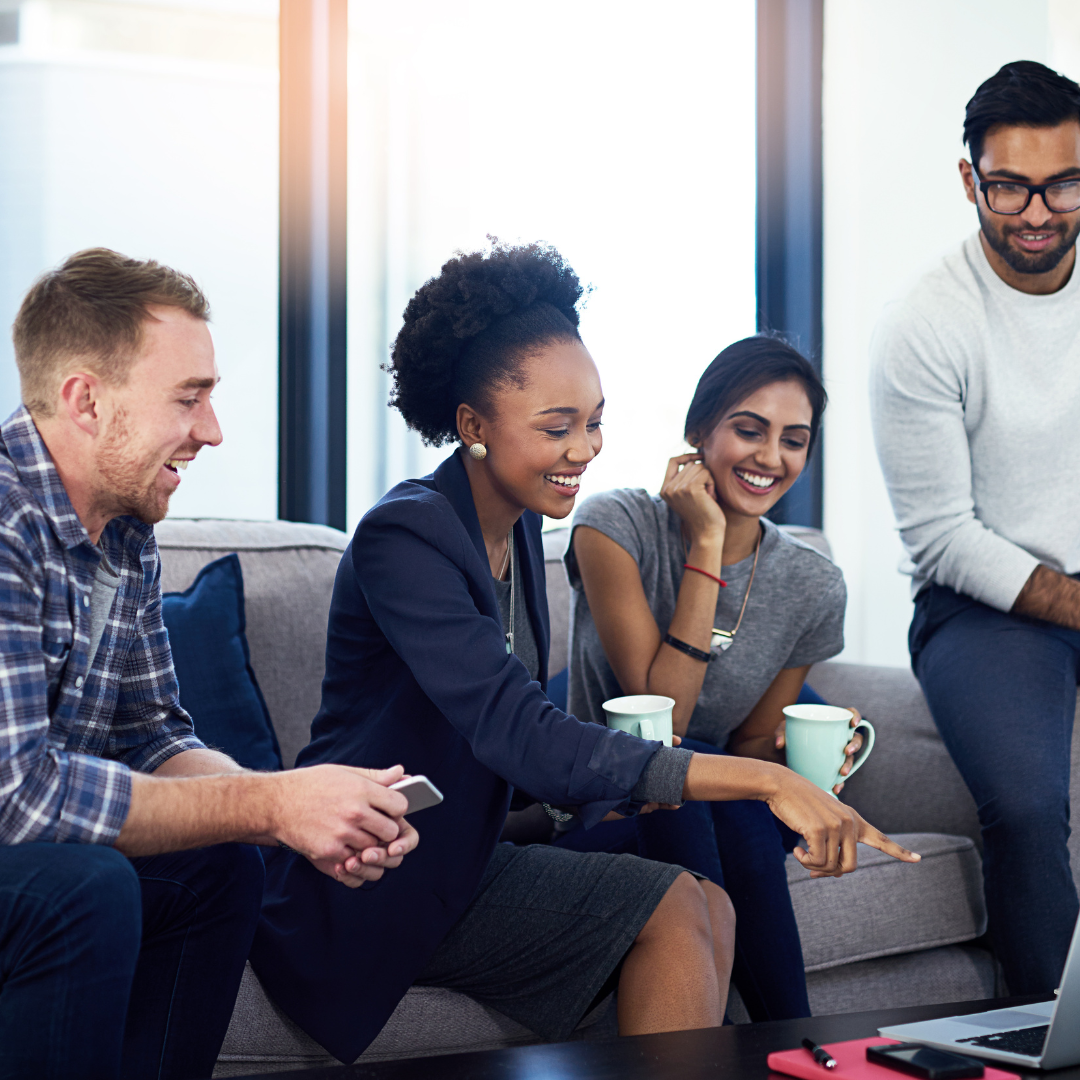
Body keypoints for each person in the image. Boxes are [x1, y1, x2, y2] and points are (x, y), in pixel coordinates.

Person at [252, 242, 920, 1064]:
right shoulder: (408, 534)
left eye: (595, 420)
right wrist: (766, 777)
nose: (586, 449)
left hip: (464, 860)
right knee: (681, 904)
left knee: (703, 901)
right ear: (473, 426)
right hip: (373, 882)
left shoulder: (518, 525)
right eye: (557, 428)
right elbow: (520, 735)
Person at [0, 248, 419, 1080]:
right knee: (85, 890)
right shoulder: (8, 530)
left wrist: (296, 821)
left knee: (218, 867)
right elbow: (20, 799)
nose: (212, 431)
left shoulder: (124, 532)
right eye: (189, 398)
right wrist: (269, 804)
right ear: (86, 400)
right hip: (28, 847)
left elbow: (151, 732)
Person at [558, 336, 857, 1021]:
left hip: (724, 806)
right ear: (698, 433)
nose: (770, 458)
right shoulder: (613, 526)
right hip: (610, 802)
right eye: (749, 431)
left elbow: (751, 746)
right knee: (708, 796)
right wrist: (708, 544)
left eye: (794, 440)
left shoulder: (812, 584)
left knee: (734, 802)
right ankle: (798, 1045)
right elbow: (666, 720)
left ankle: (788, 1049)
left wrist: (801, 756)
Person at [870, 60, 1080, 996]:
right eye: (1009, 186)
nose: (1037, 211)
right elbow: (944, 537)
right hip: (984, 607)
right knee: (1030, 805)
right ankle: (1045, 1032)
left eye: (1063, 183)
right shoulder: (925, 323)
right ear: (970, 180)